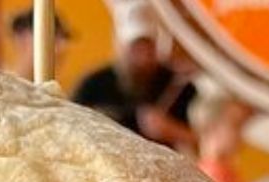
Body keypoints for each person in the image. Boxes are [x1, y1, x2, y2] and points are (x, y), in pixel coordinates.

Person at [72, 0, 194, 149]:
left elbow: (208, 140)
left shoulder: (177, 83)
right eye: (136, 49)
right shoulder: (93, 84)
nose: (143, 58)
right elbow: (71, 132)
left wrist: (171, 130)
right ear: (121, 48)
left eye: (149, 49)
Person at [6, 8, 71, 80]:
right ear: (22, 37)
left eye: (64, 38)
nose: (61, 48)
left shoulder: (51, 89)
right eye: (52, 38)